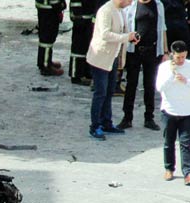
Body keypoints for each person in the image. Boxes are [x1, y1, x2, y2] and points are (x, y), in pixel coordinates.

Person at [86, 0, 139, 140]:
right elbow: (105, 34)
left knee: (109, 91)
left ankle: (106, 122)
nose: (130, 3)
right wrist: (125, 37)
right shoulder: (106, 11)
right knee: (100, 92)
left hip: (112, 57)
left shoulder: (120, 11)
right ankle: (95, 126)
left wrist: (130, 37)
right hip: (100, 57)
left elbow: (122, 30)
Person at [156, 40, 190, 185]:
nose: (181, 60)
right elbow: (159, 87)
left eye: (183, 57)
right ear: (173, 55)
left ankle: (188, 172)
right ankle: (169, 168)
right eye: (178, 57)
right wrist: (172, 76)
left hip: (187, 112)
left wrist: (187, 81)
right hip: (169, 110)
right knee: (168, 142)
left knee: (186, 144)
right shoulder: (164, 67)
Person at [117, 0, 167, 131]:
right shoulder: (132, 5)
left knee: (149, 85)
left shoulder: (158, 5)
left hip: (152, 50)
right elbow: (124, 28)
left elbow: (163, 28)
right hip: (134, 51)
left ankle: (149, 117)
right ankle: (127, 117)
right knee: (131, 84)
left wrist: (165, 51)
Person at [36, 0, 65, 76]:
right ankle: (46, 67)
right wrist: (60, 7)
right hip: (49, 10)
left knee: (45, 37)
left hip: (45, 7)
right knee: (47, 38)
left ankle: (44, 62)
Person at [68, 0, 94, 85]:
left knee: (86, 47)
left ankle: (86, 72)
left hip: (88, 18)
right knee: (78, 48)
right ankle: (76, 75)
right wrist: (78, 16)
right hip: (81, 18)